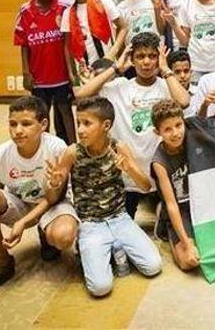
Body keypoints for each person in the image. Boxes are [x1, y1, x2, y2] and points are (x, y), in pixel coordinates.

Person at [45, 97, 163, 296]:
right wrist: (54, 183)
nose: (80, 130)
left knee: (153, 266)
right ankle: (92, 250)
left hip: (120, 218)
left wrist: (130, 169)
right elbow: (52, 196)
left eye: (87, 123)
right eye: (78, 123)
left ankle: (115, 247)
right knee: (100, 288)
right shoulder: (72, 152)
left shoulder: (119, 148)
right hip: (90, 223)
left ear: (106, 125)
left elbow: (145, 186)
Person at [0, 96, 78, 304]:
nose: (18, 130)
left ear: (43, 124)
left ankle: (47, 235)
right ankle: (2, 264)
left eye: (26, 124)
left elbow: (54, 198)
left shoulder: (56, 148)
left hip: (52, 202)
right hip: (20, 202)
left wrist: (23, 223)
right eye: (13, 124)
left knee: (62, 237)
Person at [72, 32, 190, 222]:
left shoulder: (166, 85)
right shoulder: (119, 87)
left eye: (152, 56)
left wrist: (165, 68)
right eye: (140, 56)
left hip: (161, 172)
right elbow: (82, 95)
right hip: (129, 176)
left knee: (169, 218)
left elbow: (184, 101)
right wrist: (116, 68)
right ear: (132, 60)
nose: (146, 62)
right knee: (122, 228)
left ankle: (157, 208)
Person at [15, 0, 75, 144]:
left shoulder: (63, 8)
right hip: (39, 76)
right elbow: (23, 45)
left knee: (65, 110)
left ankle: (73, 148)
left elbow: (68, 43)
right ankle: (44, 148)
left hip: (61, 74)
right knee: (41, 113)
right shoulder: (25, 11)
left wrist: (72, 74)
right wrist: (26, 73)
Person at [150, 99, 199, 271]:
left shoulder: (191, 140)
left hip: (199, 204)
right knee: (188, 262)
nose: (176, 133)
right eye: (167, 129)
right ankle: (162, 219)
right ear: (158, 132)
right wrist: (187, 244)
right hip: (178, 208)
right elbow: (172, 205)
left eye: (178, 125)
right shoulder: (159, 162)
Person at [60, 0, 128, 85]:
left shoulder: (105, 2)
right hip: (85, 70)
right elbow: (67, 45)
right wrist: (71, 73)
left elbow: (123, 27)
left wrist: (113, 51)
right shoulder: (67, 12)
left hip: (109, 64)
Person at [166, 49, 197, 117]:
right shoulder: (165, 94)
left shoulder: (198, 92)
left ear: (191, 72)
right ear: (170, 73)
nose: (182, 76)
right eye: (177, 72)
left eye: (186, 71)